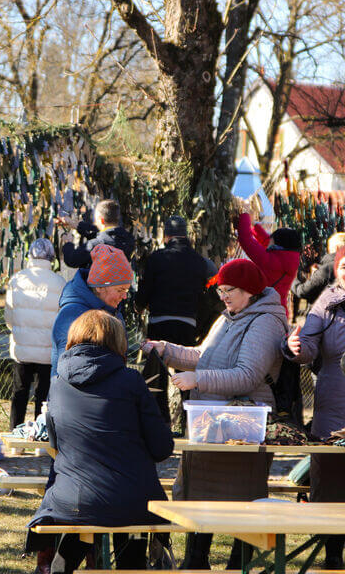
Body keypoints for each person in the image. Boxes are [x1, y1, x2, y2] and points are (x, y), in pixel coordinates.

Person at [143, 258, 288, 569]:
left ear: (249, 290)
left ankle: (239, 565)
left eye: (229, 290)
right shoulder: (228, 317)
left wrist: (198, 379)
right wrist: (165, 349)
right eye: (220, 290)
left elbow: (247, 375)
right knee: (200, 497)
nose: (223, 296)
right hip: (213, 423)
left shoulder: (265, 321)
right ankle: (196, 561)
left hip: (244, 427)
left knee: (242, 501)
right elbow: (202, 356)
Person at [27, 310, 173, 574]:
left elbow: (57, 443)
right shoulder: (131, 381)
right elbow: (162, 448)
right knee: (127, 525)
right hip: (131, 499)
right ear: (118, 342)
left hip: (71, 498)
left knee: (87, 519)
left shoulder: (58, 384)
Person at [283, 246, 345, 570]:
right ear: (337, 269)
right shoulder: (327, 302)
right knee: (332, 480)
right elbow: (308, 344)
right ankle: (333, 553)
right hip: (334, 401)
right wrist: (295, 347)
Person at [4, 238, 65, 429]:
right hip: (48, 350)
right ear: (51, 257)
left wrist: (18, 331)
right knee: (44, 396)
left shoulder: (18, 279)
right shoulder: (59, 282)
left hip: (22, 348)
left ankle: (16, 436)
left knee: (19, 392)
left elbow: (9, 316)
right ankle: (42, 440)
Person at [51, 243, 132, 377]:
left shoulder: (112, 310)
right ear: (99, 287)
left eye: (127, 290)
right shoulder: (72, 315)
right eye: (120, 290)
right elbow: (70, 372)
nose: (124, 296)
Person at [135, 215, 215, 347]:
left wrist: (139, 306)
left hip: (159, 323)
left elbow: (145, 288)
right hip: (188, 324)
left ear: (166, 236)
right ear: (186, 235)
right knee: (184, 366)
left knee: (158, 365)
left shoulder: (157, 258)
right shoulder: (201, 262)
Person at [235, 212, 301, 312]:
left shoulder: (271, 262)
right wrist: (254, 225)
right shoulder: (289, 257)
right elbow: (267, 242)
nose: (268, 241)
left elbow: (245, 239)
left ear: (276, 244)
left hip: (264, 314)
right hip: (278, 310)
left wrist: (245, 215)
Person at [57, 199, 134, 268]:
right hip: (122, 282)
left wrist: (68, 243)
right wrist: (74, 224)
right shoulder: (128, 238)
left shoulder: (95, 246)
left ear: (101, 220)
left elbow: (72, 260)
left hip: (100, 283)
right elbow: (101, 232)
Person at [292, 232, 345, 305]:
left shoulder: (327, 269)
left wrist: (293, 279)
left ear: (336, 248)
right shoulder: (327, 268)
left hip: (325, 313)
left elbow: (303, 291)